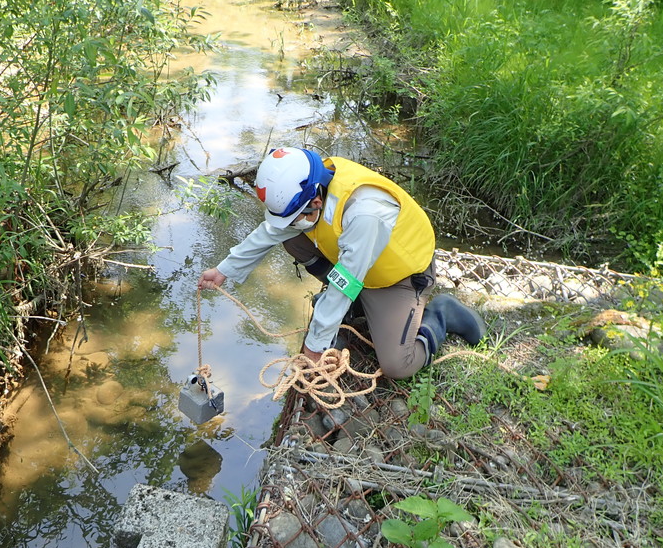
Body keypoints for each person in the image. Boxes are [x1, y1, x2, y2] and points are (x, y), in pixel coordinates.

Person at [197, 147, 485, 379]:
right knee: (293, 238)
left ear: (316, 203)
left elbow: (344, 282)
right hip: (360, 265)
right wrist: (224, 270)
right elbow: (272, 230)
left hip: (399, 279)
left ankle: (442, 315)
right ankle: (359, 305)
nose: (292, 222)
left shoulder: (365, 213)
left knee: (398, 365)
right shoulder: (312, 184)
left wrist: (315, 345)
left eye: (297, 215)